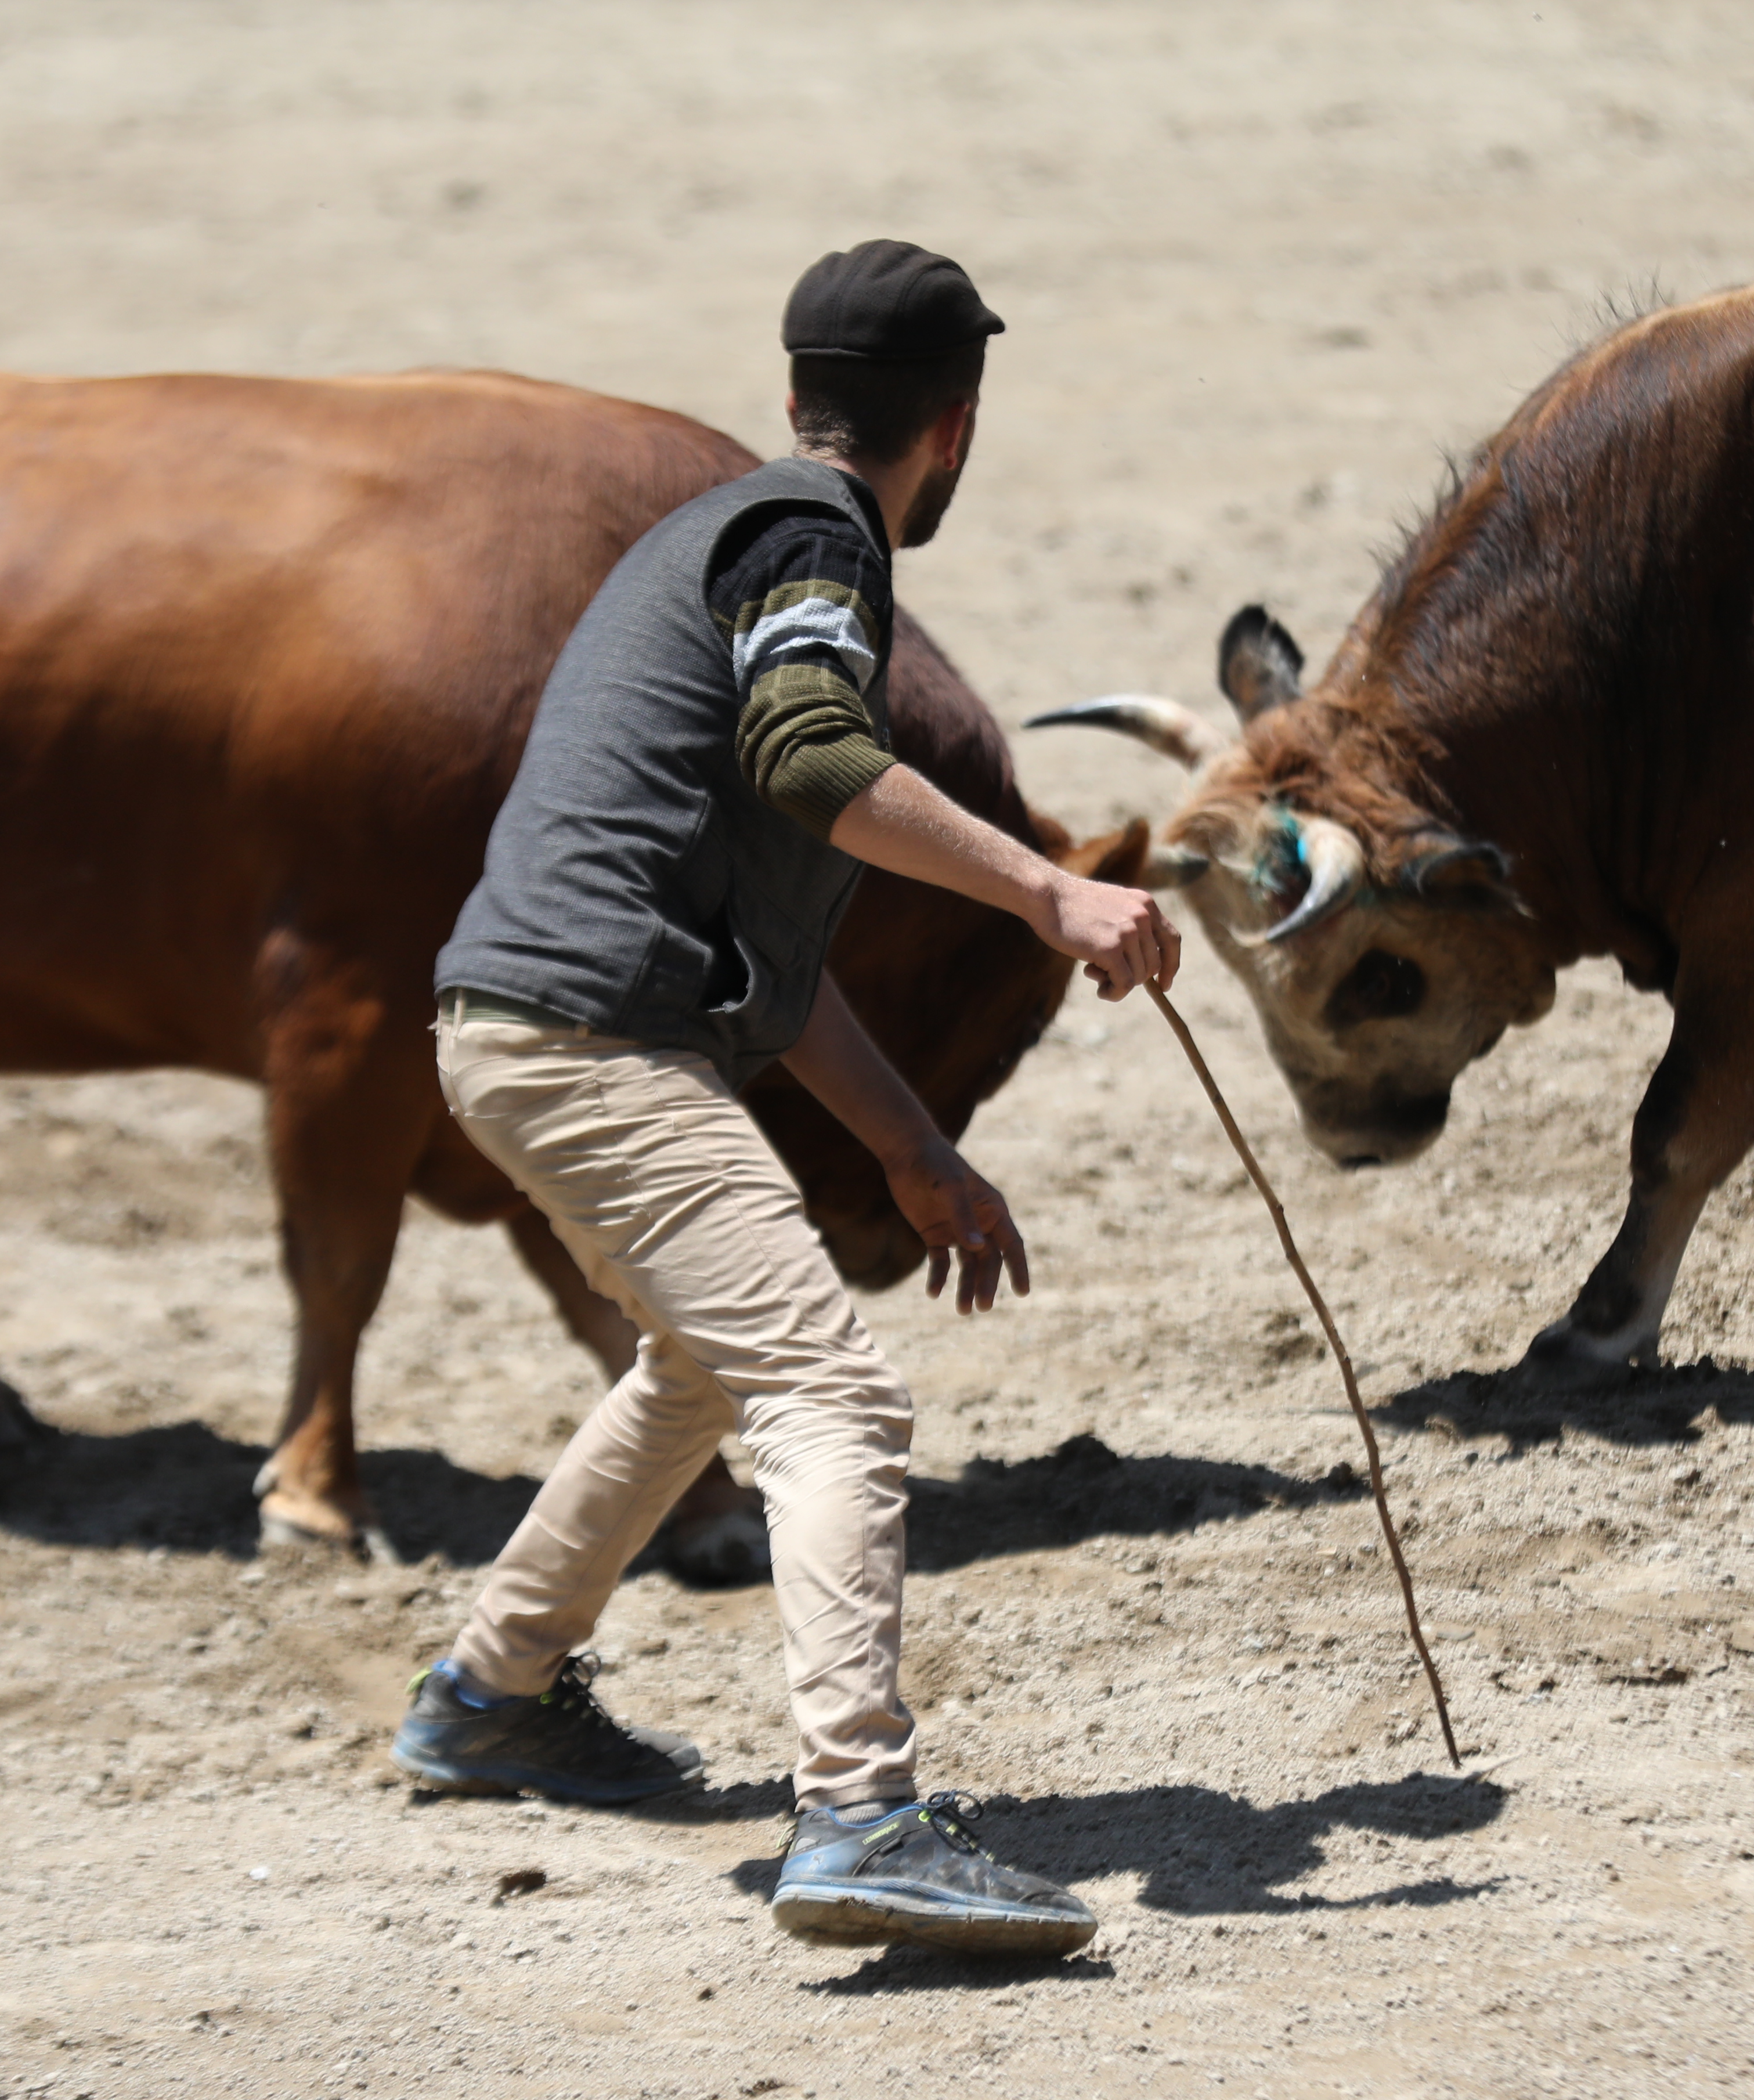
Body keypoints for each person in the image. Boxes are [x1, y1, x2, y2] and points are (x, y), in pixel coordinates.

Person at [391, 240, 1177, 1958]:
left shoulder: (708, 543)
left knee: (709, 1358)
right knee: (832, 1391)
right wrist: (1048, 893)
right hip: (595, 1035)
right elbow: (813, 757)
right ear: (954, 425)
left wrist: (912, 1146)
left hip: (528, 1024)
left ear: (800, 384)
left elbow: (775, 945)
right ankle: (860, 1816)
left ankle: (489, 1691)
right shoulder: (812, 540)